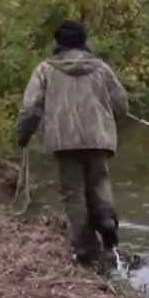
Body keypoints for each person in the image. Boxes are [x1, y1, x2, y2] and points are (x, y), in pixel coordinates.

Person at [16, 20, 129, 267]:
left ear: (58, 43)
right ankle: (107, 220)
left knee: (73, 193)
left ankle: (86, 250)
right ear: (84, 41)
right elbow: (121, 103)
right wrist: (114, 123)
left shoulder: (45, 69)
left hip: (63, 141)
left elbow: (30, 108)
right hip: (99, 138)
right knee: (99, 181)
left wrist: (23, 135)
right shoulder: (101, 68)